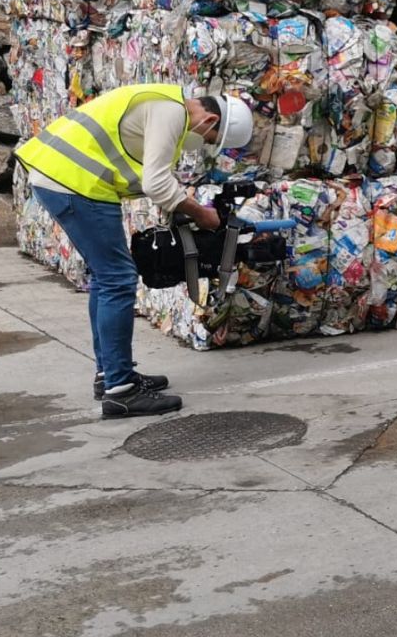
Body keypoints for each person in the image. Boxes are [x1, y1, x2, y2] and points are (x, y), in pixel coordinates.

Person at [14, 86, 254, 418]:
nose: (204, 144)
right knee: (118, 279)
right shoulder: (171, 112)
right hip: (76, 182)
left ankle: (112, 374)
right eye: (210, 139)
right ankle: (121, 392)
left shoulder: (162, 103)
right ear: (210, 119)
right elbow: (156, 184)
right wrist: (201, 214)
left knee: (106, 278)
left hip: (64, 178)